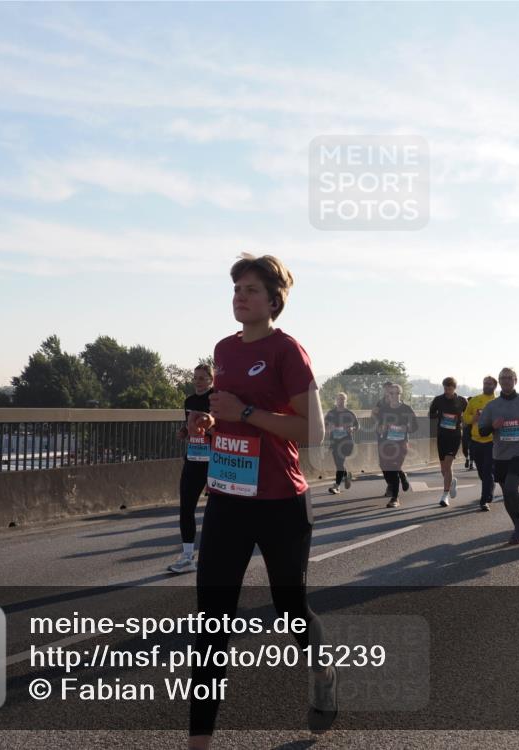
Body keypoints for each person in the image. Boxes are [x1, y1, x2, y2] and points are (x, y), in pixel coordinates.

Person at [187, 254, 335, 747]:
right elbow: (230, 414)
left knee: (290, 607)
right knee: (210, 626)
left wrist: (245, 411)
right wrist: (215, 422)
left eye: (251, 289)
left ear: (274, 301)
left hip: (279, 502)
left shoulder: (286, 350)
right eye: (236, 288)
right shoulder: (224, 350)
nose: (239, 296)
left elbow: (313, 431)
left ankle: (320, 669)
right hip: (228, 498)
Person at [478, 367, 519, 544]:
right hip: (500, 454)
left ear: (515, 380)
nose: (506, 380)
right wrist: (493, 427)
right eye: (503, 378)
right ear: (499, 382)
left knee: (511, 488)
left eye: (509, 377)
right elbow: (482, 431)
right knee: (507, 494)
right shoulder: (491, 406)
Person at [168, 364, 215, 574]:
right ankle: (187, 556)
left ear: (211, 380)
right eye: (195, 377)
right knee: (186, 508)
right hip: (193, 460)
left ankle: (218, 555)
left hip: (215, 462)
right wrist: (183, 432)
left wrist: (208, 428)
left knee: (218, 512)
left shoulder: (216, 399)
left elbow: (224, 429)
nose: (198, 381)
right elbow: (189, 426)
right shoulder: (189, 401)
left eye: (203, 378)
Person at [375, 383, 418, 508]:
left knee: (393, 467)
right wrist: (381, 429)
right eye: (391, 393)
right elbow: (378, 426)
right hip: (386, 442)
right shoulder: (383, 409)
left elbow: (415, 426)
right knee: (384, 466)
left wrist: (406, 428)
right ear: (388, 395)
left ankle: (395, 498)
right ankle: (402, 475)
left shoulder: (406, 409)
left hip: (400, 443)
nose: (394, 396)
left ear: (400, 394)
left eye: (396, 393)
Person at [429, 377, 467, 507]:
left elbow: (468, 415)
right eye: (445, 388)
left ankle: (445, 495)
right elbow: (431, 414)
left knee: (449, 464)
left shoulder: (462, 401)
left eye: (449, 388)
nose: (447, 390)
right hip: (442, 435)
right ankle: (451, 482)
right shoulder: (438, 399)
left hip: (455, 436)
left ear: (454, 388)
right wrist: (440, 415)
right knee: (443, 469)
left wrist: (461, 420)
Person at [463, 375, 498, 511]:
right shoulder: (475, 400)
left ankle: (484, 500)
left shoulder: (497, 401)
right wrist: (474, 418)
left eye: (489, 384)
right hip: (476, 441)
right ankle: (489, 487)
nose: (486, 385)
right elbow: (465, 418)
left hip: (492, 441)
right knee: (482, 473)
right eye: (485, 383)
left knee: (488, 471)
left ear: (495, 386)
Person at [324, 392, 358, 495]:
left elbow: (357, 426)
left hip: (346, 442)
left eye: (343, 399)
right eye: (339, 399)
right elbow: (324, 425)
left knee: (340, 463)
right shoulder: (331, 413)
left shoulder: (350, 413)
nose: (341, 401)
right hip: (335, 442)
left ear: (346, 401)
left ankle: (336, 486)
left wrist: (352, 428)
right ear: (336, 400)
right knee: (338, 464)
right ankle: (346, 475)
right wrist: (328, 428)